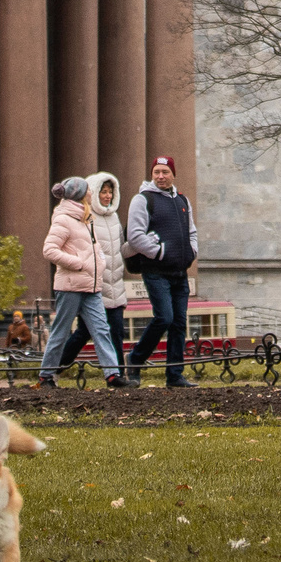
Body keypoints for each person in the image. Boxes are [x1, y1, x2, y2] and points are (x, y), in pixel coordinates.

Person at [37, 177, 122, 387]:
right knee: (61, 331)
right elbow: (49, 250)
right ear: (81, 195)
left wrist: (100, 262)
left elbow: (93, 249)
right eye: (89, 191)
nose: (92, 194)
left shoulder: (86, 218)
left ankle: (112, 375)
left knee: (102, 330)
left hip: (91, 287)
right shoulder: (64, 219)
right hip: (70, 287)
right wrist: (78, 263)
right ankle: (46, 376)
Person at [123, 155, 197, 388]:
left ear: (173, 174)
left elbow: (192, 231)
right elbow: (135, 236)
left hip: (180, 272)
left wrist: (192, 251)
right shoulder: (143, 200)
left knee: (179, 323)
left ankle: (175, 375)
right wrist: (159, 253)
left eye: (165, 172)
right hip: (155, 271)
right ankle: (135, 359)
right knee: (164, 317)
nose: (161, 176)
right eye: (157, 172)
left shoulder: (182, 200)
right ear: (151, 174)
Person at [58, 174, 132, 379]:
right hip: (94, 286)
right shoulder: (86, 217)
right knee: (84, 332)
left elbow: (121, 249)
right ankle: (57, 365)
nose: (107, 196)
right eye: (103, 192)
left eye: (110, 192)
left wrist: (135, 245)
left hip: (115, 287)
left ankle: (118, 375)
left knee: (116, 331)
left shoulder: (115, 217)